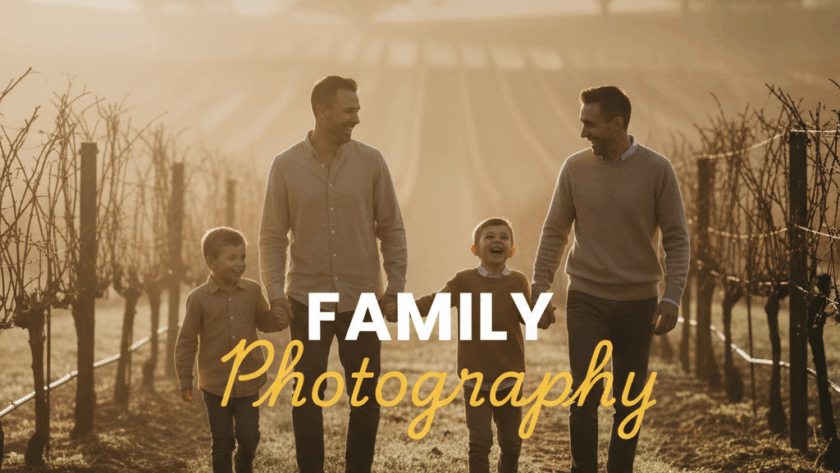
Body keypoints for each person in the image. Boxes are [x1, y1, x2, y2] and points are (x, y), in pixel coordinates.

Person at [531, 85, 690, 473]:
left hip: (639, 303)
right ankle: (583, 468)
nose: (583, 132)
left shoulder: (657, 170)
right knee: (584, 394)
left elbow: (676, 238)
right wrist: (540, 286)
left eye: (590, 123)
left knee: (630, 400)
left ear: (617, 124)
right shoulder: (574, 168)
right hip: (586, 297)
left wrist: (671, 296)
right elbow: (554, 232)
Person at [259, 75, 408, 473]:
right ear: (321, 112)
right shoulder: (285, 166)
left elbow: (392, 229)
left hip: (363, 298)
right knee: (306, 393)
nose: (356, 119)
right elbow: (272, 238)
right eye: (348, 111)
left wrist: (395, 287)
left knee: (365, 396)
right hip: (308, 299)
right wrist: (274, 292)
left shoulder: (371, 161)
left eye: (357, 110)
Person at [414, 217, 549, 473]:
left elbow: (529, 318)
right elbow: (435, 302)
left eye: (504, 237)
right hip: (474, 380)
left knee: (511, 443)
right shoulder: (463, 281)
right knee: (479, 442)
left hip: (510, 380)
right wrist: (401, 307)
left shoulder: (518, 282)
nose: (497, 240)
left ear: (511, 250)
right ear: (475, 250)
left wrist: (542, 315)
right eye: (489, 236)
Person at [175, 227, 287, 473]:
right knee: (222, 441)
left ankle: (243, 463)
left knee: (249, 437)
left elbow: (263, 322)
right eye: (232, 258)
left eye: (243, 257)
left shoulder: (253, 291)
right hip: (215, 383)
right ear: (211, 262)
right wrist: (185, 377)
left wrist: (278, 319)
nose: (240, 264)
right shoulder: (198, 298)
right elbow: (186, 341)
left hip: (248, 380)